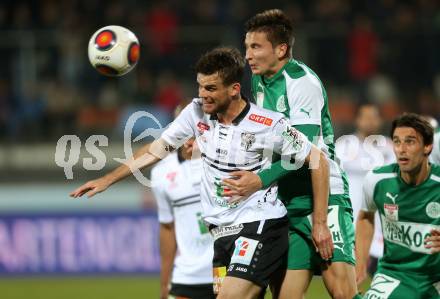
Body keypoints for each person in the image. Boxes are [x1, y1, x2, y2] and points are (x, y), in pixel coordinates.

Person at [70, 47, 330, 299]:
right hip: (221, 234)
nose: (202, 95)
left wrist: (320, 223)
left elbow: (317, 159)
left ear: (234, 89)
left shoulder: (267, 124)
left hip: (260, 225)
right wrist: (107, 179)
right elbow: (156, 149)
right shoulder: (195, 113)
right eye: (200, 86)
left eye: (211, 88)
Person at [222, 9, 359, 299]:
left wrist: (259, 180)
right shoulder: (259, 82)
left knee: (343, 293)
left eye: (256, 47)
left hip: (323, 197)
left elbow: (303, 151)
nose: (247, 55)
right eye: (247, 46)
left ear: (281, 49)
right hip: (287, 202)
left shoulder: (302, 83)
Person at [356, 113, 440, 298]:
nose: (401, 149)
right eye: (397, 141)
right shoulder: (377, 180)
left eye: (410, 142)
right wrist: (360, 264)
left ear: (427, 147)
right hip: (394, 274)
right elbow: (365, 217)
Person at [151, 133, 215, 299]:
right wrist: (165, 281)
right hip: (186, 276)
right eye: (184, 133)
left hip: (223, 271)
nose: (189, 140)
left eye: (196, 132)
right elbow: (167, 227)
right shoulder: (161, 173)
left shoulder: (224, 163)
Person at [336, 104, 395, 276]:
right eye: (365, 117)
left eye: (373, 117)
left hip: (380, 218)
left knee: (380, 271)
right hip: (350, 215)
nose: (369, 121)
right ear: (357, 120)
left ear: (380, 120)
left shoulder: (391, 147)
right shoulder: (343, 146)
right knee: (349, 272)